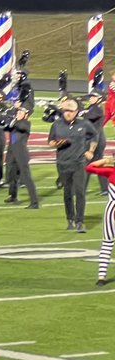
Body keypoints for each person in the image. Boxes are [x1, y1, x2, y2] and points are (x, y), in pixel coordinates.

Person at [48, 97, 99, 232]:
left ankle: (80, 221)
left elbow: (95, 135)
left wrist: (90, 150)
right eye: (65, 111)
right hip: (63, 163)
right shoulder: (57, 124)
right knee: (67, 193)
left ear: (77, 112)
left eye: (71, 111)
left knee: (80, 192)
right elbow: (50, 142)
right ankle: (70, 219)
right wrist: (59, 143)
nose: (68, 113)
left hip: (79, 163)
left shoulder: (84, 124)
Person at [85, 156, 115, 285]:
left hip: (111, 210)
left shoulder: (111, 171)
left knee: (107, 244)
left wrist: (106, 160)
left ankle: (101, 277)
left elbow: (89, 167)